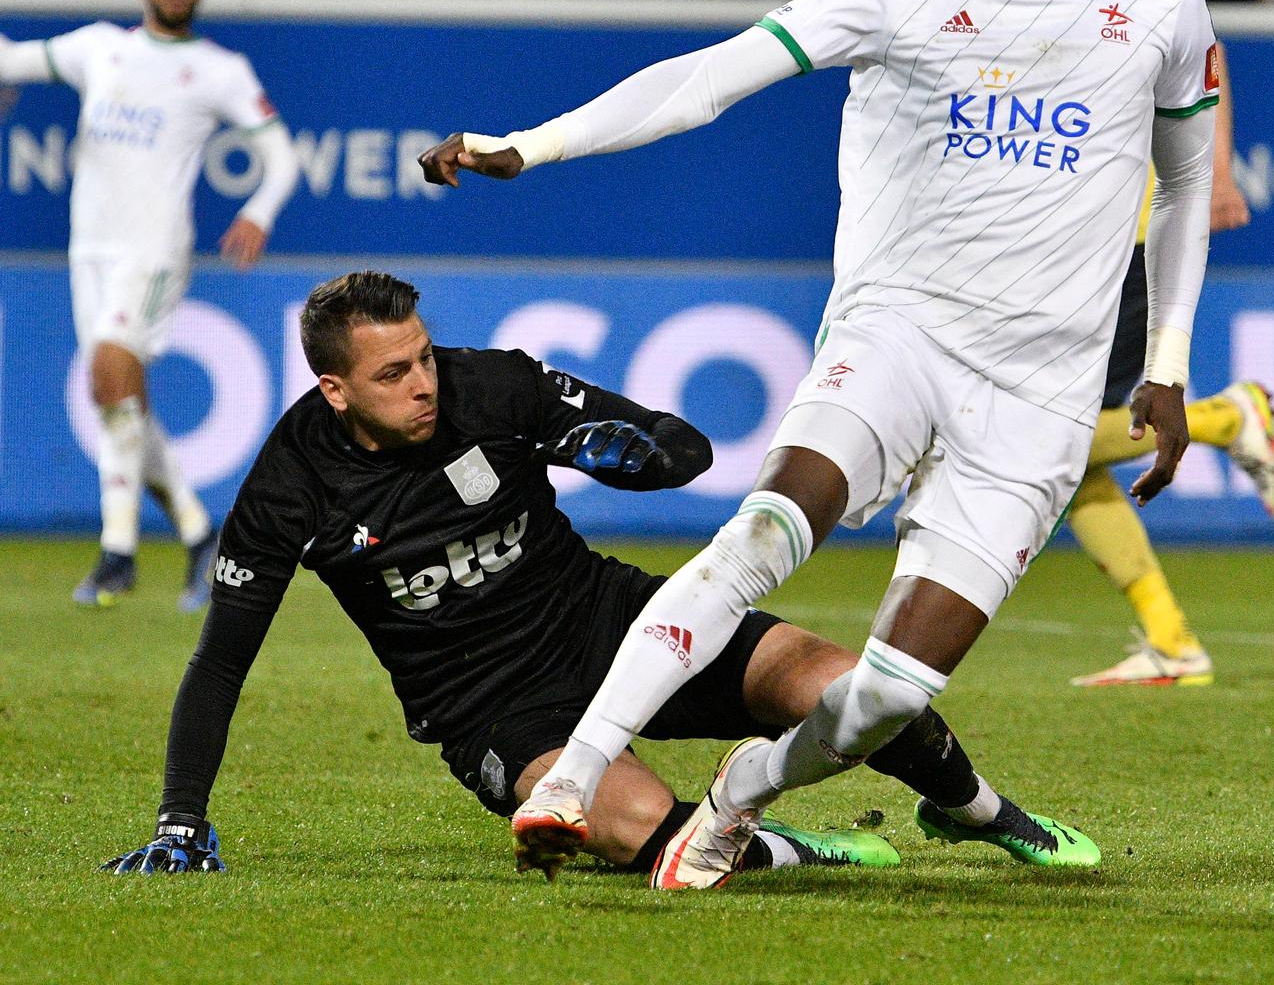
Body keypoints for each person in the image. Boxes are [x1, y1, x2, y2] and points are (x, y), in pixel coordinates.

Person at [421, 0, 1217, 887]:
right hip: (899, 332)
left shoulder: (1162, 5)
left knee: (889, 695)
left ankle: (744, 788)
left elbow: (1185, 186)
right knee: (765, 527)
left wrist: (1170, 359)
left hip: (1037, 391)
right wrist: (531, 144)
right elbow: (707, 79)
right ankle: (575, 774)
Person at [101, 272, 1079, 882]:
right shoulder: (289, 486)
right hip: (491, 707)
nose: (424, 381)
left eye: (424, 355)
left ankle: (978, 810)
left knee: (843, 685)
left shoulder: (491, 383)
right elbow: (222, 661)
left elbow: (681, 443)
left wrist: (628, 451)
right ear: (334, 389)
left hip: (611, 617)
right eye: (393, 373)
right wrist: (181, 818)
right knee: (642, 833)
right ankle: (788, 845)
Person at [953, 0, 1274, 686]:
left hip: (1119, 233)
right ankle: (1172, 642)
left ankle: (1224, 419)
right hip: (1035, 248)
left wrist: (1213, 172)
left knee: (1039, 436)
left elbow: (1202, 57)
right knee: (1065, 467)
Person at [0, 0, 299, 610]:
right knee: (119, 396)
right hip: (91, 249)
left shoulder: (220, 70)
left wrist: (259, 210)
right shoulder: (100, 47)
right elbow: (13, 60)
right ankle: (199, 533)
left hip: (154, 249)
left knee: (109, 372)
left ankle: (118, 552)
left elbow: (280, 153)